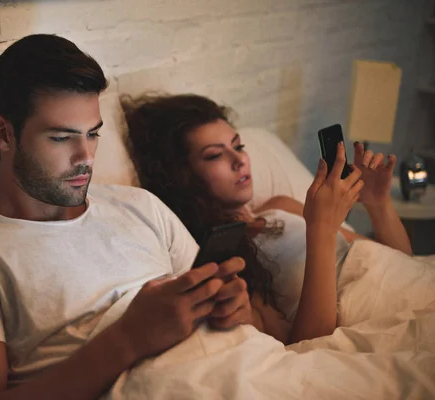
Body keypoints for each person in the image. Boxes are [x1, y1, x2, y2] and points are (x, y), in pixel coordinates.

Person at [0, 34, 260, 400]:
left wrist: (236, 308)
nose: (87, 156)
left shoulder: (141, 207)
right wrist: (127, 339)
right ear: (3, 134)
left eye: (92, 134)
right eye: (62, 138)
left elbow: (241, 323)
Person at [122, 93, 413, 344]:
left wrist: (378, 203)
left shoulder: (281, 206)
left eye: (238, 146)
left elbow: (400, 264)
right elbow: (307, 344)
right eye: (214, 155)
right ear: (182, 177)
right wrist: (321, 230)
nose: (239, 161)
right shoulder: (231, 256)